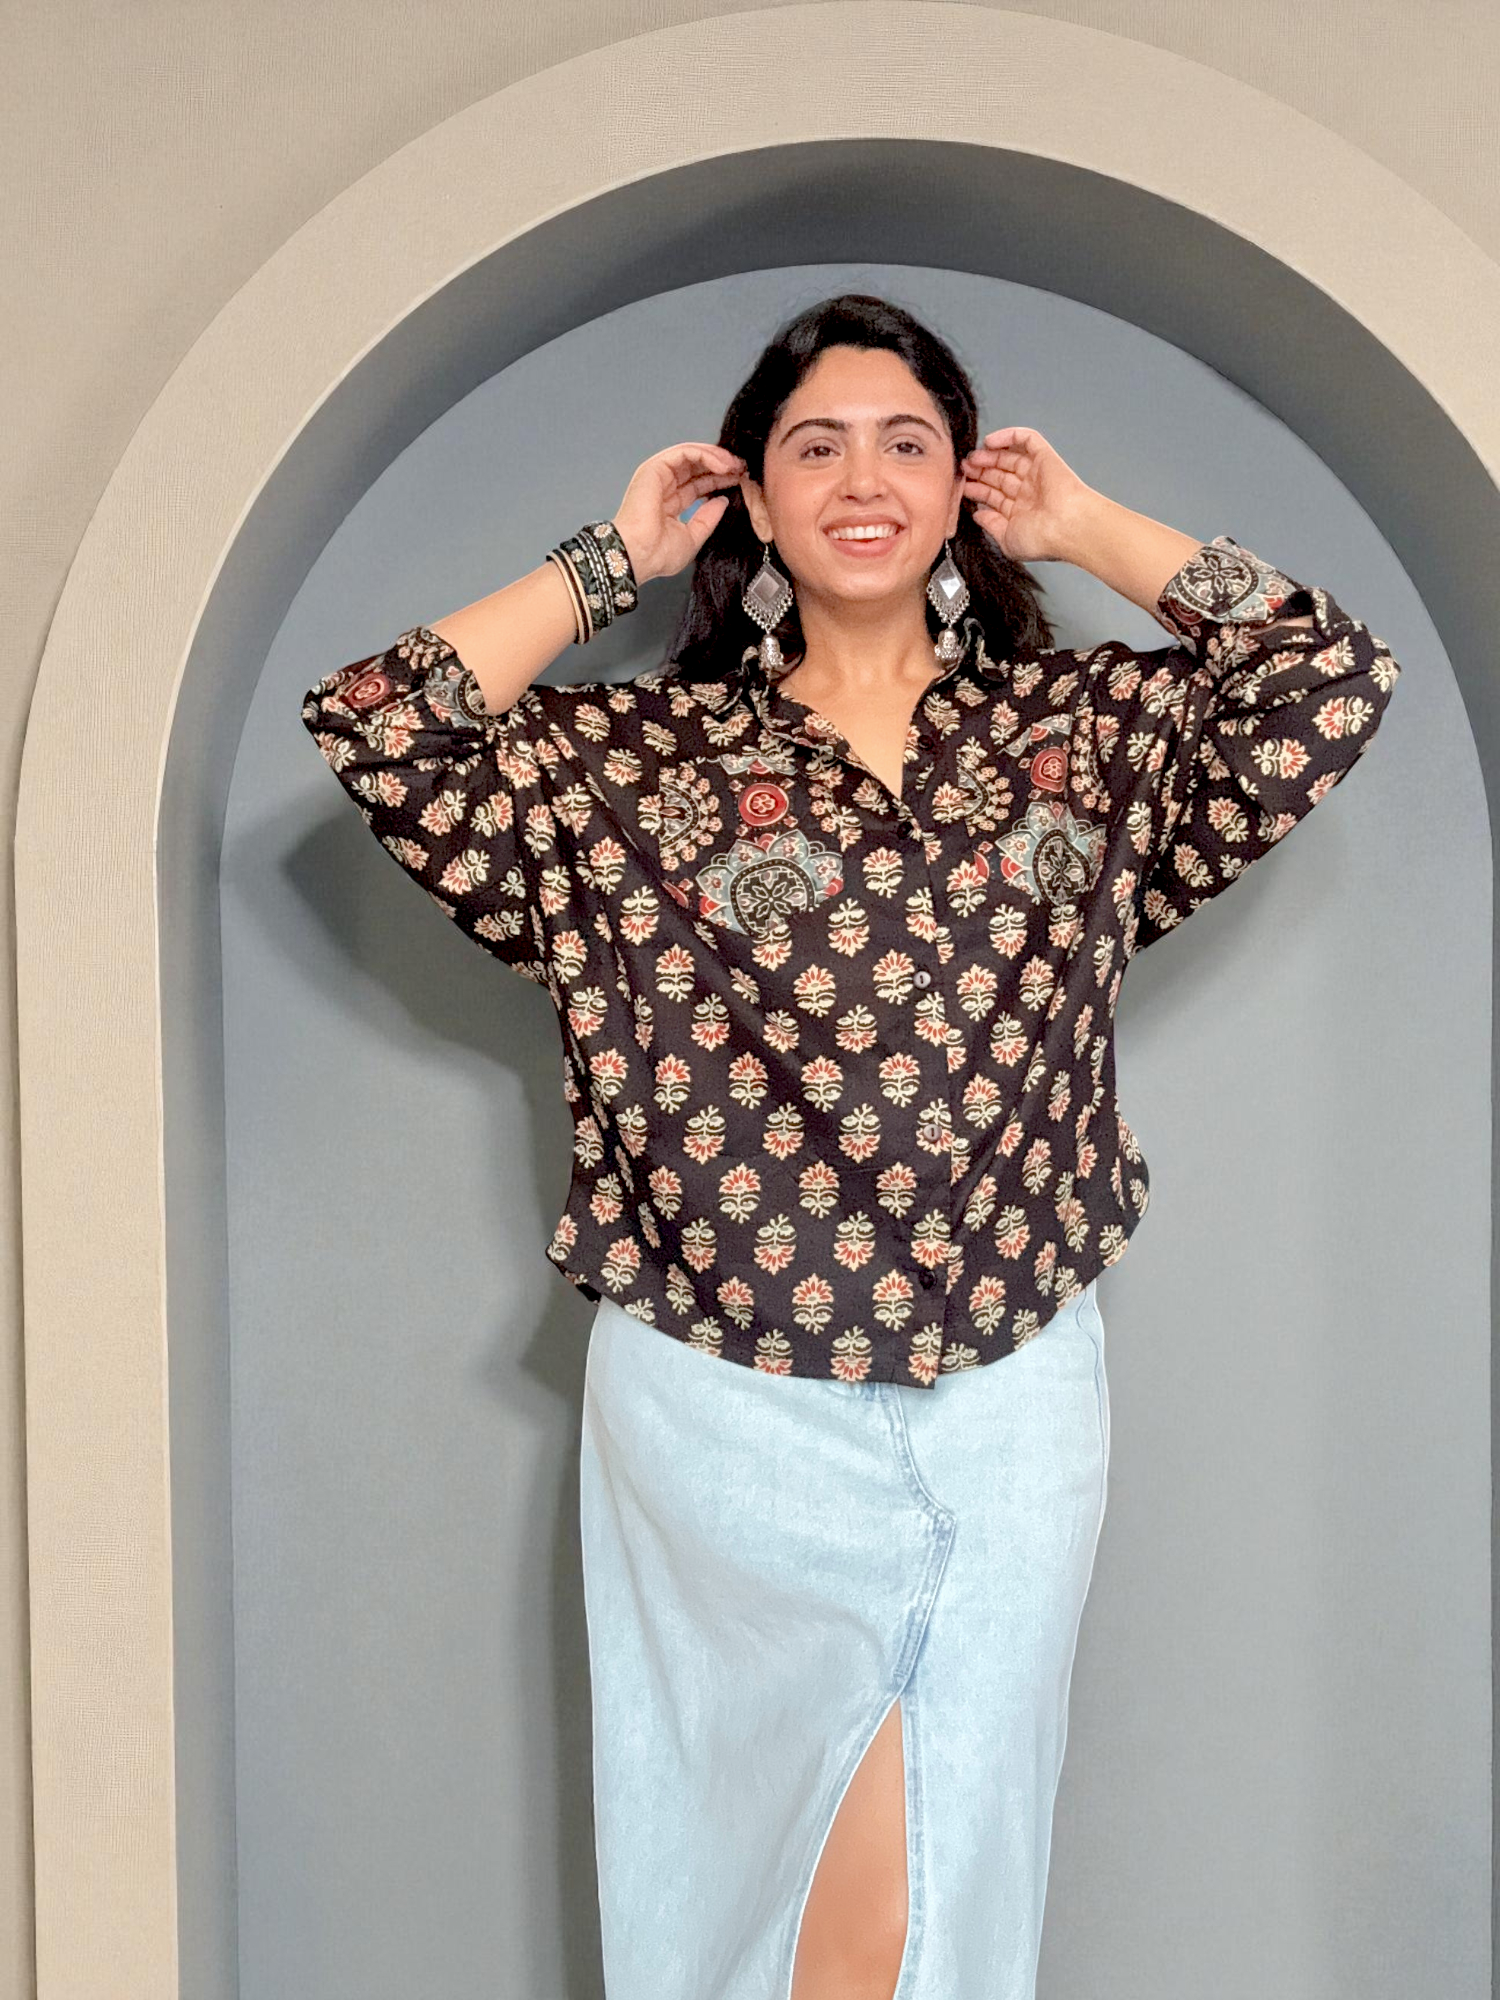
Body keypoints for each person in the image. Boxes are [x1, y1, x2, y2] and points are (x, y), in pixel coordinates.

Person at [302, 293, 1402, 2000]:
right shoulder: (631, 770)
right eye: (815, 446)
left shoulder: (1083, 742)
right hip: (724, 1400)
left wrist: (1085, 525)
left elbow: (1327, 681)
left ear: (965, 484)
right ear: (754, 497)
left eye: (908, 442)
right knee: (766, 1889)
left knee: (952, 1872)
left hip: (1012, 1392)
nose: (864, 478)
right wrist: (610, 562)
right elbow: (380, 724)